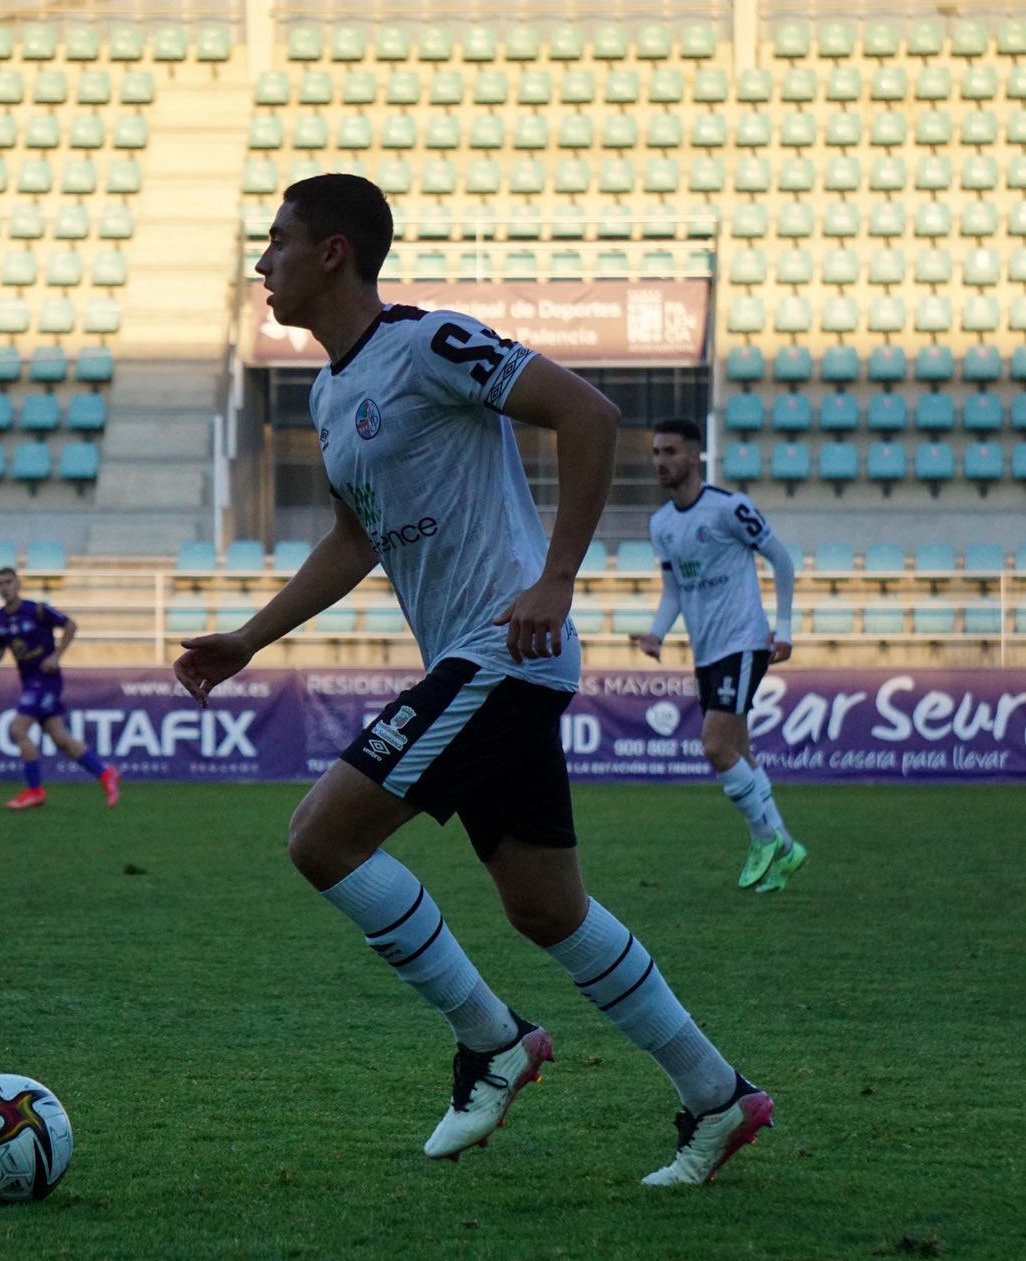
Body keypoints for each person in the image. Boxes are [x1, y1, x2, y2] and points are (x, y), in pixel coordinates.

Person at [174, 175, 771, 1187]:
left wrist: (556, 577)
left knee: (320, 836)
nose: (259, 262)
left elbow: (585, 412)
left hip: (496, 653)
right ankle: (718, 1097)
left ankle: (492, 1040)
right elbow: (356, 537)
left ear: (331, 254)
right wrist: (248, 636)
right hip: (482, 661)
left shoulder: (429, 343)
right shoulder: (329, 391)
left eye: (275, 241)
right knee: (547, 909)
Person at [633, 419, 808, 894]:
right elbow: (674, 589)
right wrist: (655, 633)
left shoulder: (730, 508)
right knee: (740, 751)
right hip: (706, 650)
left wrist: (785, 628)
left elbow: (782, 560)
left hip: (743, 640)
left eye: (669, 451)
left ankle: (762, 837)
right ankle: (787, 848)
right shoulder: (661, 524)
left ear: (694, 456)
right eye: (655, 452)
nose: (660, 462)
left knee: (714, 745)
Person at [0, 566, 119, 811]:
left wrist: (57, 655)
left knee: (18, 729)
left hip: (46, 680)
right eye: (0, 584)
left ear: (17, 584)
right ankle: (105, 773)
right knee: (61, 739)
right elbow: (1, 644)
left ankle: (35, 790)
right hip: (30, 682)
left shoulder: (36, 610)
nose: (4, 587)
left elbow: (70, 625)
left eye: (8, 582)